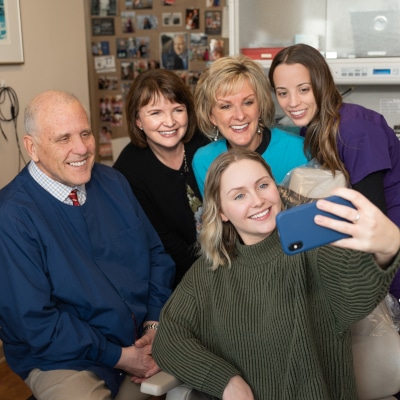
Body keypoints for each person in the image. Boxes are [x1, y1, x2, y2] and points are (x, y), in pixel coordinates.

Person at [153, 148, 400, 400]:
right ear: (223, 212)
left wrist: (387, 250)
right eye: (239, 195)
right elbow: (168, 340)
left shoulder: (315, 249)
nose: (258, 200)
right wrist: (226, 382)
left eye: (262, 185)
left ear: (276, 187)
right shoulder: (208, 272)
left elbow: (354, 294)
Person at [0, 90, 175, 400]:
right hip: (64, 358)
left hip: (140, 338)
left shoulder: (113, 182)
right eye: (63, 138)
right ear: (32, 148)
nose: (81, 148)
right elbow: (38, 325)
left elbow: (156, 256)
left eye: (85, 133)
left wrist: (153, 322)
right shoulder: (12, 216)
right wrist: (120, 356)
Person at [268, 43, 400, 297]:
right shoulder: (314, 126)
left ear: (322, 83)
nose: (292, 102)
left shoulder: (355, 130)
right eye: (282, 93)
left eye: (303, 89)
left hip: (390, 246)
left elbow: (373, 216)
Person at [114, 69, 210, 287]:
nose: (170, 122)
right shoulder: (128, 171)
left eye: (178, 110)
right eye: (155, 113)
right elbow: (162, 241)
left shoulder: (204, 144)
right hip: (180, 278)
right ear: (138, 120)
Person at [192, 54, 308, 197]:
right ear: (211, 117)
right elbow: (216, 218)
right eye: (226, 106)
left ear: (260, 106)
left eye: (248, 103)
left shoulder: (301, 151)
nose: (240, 116)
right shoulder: (204, 161)